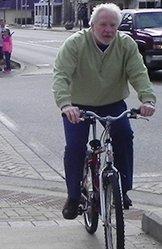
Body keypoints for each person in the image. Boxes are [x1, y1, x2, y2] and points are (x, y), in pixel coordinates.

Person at [52, 3, 156, 220]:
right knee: (75, 148)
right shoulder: (75, 44)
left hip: (112, 101)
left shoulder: (126, 44)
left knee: (124, 135)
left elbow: (138, 72)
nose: (108, 30)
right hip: (78, 105)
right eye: (103, 25)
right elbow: (61, 75)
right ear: (92, 26)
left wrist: (147, 99)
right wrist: (65, 104)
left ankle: (123, 190)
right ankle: (73, 195)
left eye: (113, 25)